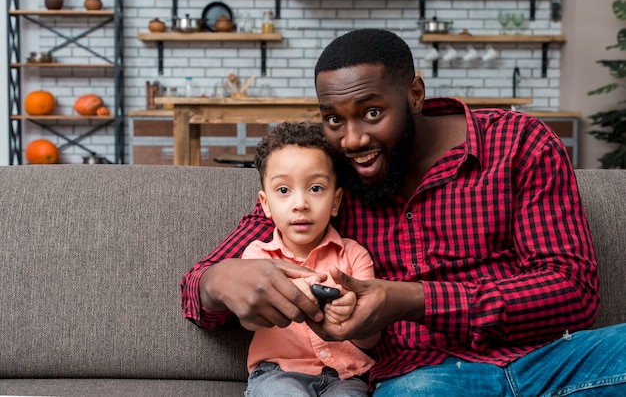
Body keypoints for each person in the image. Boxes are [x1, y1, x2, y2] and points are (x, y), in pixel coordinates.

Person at [181, 29, 626, 395]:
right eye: (334, 119)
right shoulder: (329, 178)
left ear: (414, 94)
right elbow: (200, 284)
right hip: (423, 379)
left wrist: (413, 300)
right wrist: (219, 281)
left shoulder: (517, 143)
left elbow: (574, 292)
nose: (352, 139)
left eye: (372, 112)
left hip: (553, 362)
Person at [240, 122, 380, 396]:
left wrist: (351, 315)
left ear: (336, 201)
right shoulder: (258, 256)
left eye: (315, 188)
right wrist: (285, 298)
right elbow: (249, 320)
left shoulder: (354, 255)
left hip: (347, 376)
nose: (301, 203)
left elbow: (371, 337)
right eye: (283, 190)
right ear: (265, 204)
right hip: (277, 374)